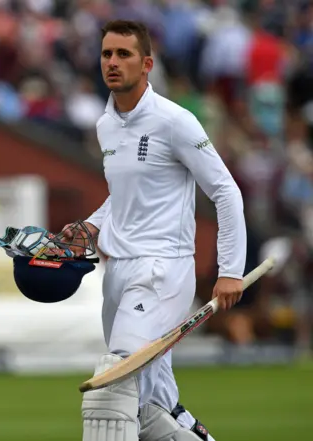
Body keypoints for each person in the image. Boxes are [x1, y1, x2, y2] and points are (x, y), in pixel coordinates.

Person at [64, 20, 247, 441]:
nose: (113, 62)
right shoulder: (105, 125)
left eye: (123, 54)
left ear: (146, 64)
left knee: (113, 386)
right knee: (150, 407)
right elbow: (124, 195)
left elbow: (225, 190)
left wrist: (230, 268)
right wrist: (91, 226)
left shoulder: (175, 121)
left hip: (162, 271)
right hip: (119, 273)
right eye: (107, 54)